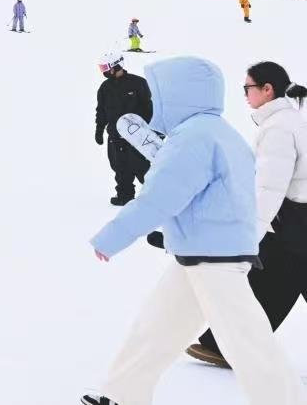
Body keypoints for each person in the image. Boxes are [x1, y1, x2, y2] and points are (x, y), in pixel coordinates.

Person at [84, 57, 307, 405]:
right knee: (156, 327)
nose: (153, 103)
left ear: (179, 95)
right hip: (202, 250)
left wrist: (113, 237)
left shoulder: (194, 138)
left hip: (215, 256)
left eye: (158, 95)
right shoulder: (220, 133)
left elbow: (159, 198)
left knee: (247, 341)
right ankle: (122, 394)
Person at [185, 63, 307, 369]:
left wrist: (250, 234)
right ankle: (224, 346)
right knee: (271, 284)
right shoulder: (287, 120)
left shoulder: (278, 128)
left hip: (293, 221)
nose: (245, 94)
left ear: (268, 89)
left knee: (270, 282)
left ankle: (227, 346)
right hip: (292, 222)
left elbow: (270, 188)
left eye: (248, 88)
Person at [95, 51, 153, 205]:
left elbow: (149, 108)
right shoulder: (105, 88)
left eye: (105, 68)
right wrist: (99, 129)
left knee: (142, 167)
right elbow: (101, 111)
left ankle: (155, 195)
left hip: (136, 136)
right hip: (115, 136)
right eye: (102, 68)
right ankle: (124, 195)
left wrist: (152, 130)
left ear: (116, 66)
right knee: (119, 167)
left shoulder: (138, 83)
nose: (103, 72)